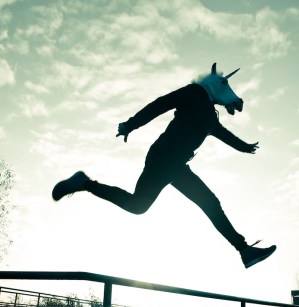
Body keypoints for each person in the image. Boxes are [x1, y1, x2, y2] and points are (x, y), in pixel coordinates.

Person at [52, 63, 276, 268]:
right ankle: (244, 250)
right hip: (165, 156)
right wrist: (131, 124)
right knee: (207, 202)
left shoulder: (209, 115)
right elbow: (160, 104)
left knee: (139, 205)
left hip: (175, 164)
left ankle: (84, 183)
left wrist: (244, 147)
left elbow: (222, 133)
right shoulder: (193, 92)